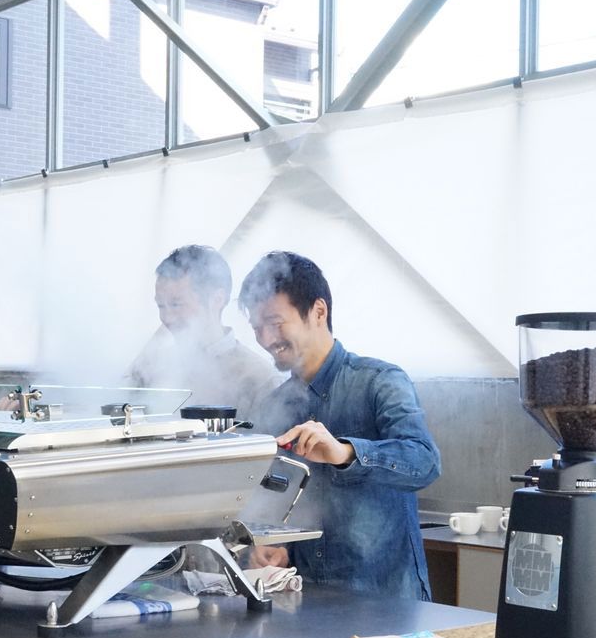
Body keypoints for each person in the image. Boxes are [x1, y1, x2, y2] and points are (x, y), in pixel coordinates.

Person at [239, 251, 441, 601]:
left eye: (275, 322)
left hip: (386, 600)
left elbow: (425, 462)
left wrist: (345, 453)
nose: (266, 339)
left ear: (318, 311)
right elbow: (275, 498)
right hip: (307, 602)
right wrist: (273, 545)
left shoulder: (380, 380)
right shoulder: (275, 404)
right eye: (257, 328)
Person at [128, 245, 278, 423]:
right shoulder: (150, 368)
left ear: (217, 300)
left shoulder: (258, 378)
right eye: (161, 306)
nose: (167, 318)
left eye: (176, 305)